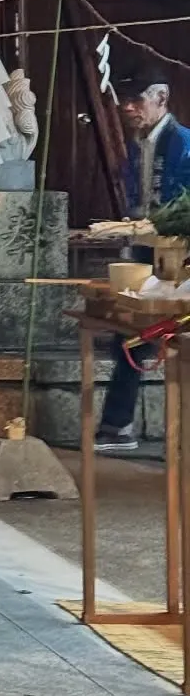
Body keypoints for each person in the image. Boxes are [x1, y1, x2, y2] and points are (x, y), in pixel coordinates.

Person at [96, 68, 190, 451]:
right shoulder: (137, 145)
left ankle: (119, 424)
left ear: (161, 99)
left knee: (168, 337)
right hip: (143, 247)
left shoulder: (183, 142)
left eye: (137, 100)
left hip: (178, 251)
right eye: (125, 100)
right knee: (130, 332)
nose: (128, 107)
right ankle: (117, 425)